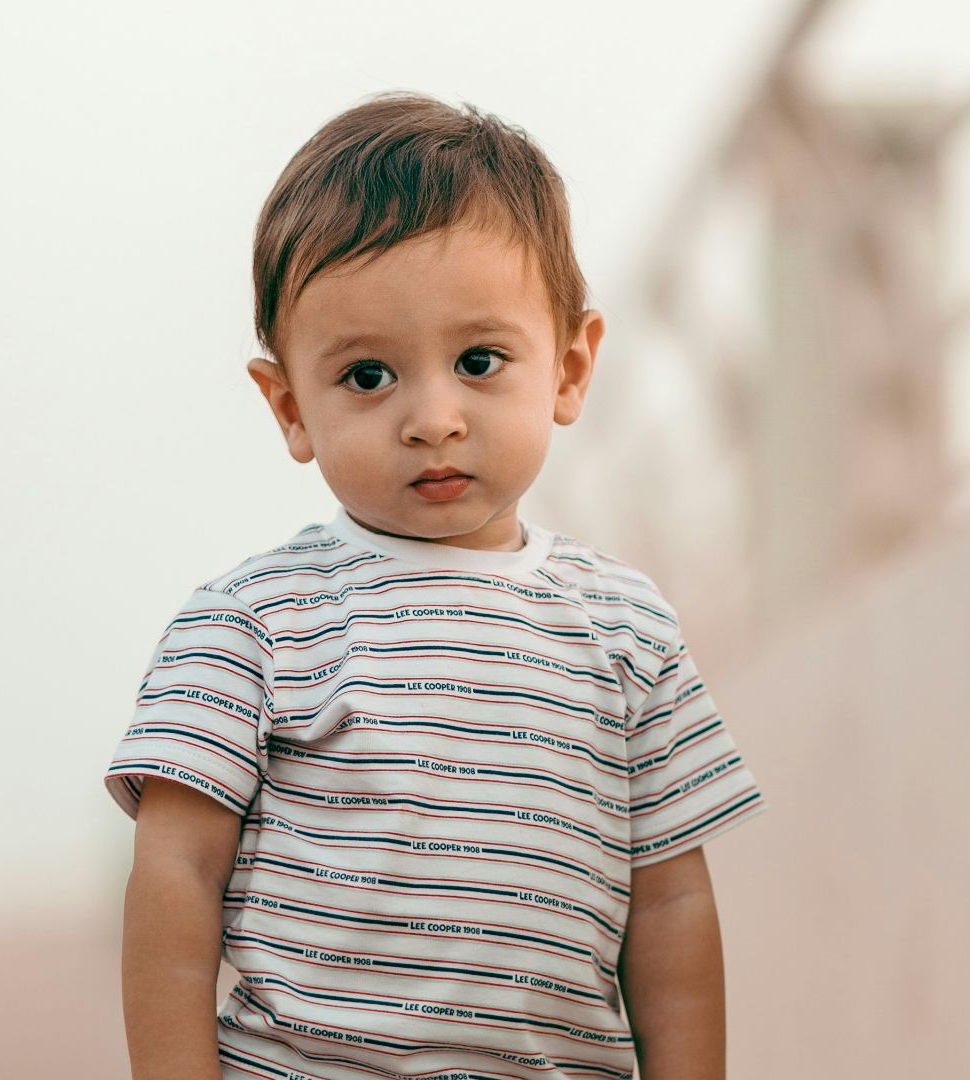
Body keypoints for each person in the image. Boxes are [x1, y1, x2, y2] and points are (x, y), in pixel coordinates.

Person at [105, 90, 767, 1080]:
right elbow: (177, 872)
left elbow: (669, 903)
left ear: (570, 368)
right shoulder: (252, 623)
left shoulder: (626, 627)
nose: (433, 418)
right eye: (368, 376)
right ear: (289, 405)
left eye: (478, 360)